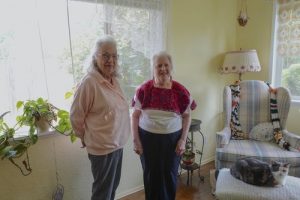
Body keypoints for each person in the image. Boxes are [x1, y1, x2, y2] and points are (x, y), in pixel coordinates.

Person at [70, 35, 130, 200]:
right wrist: (84, 137)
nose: (110, 60)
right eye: (105, 55)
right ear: (95, 57)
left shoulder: (114, 80)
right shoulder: (89, 83)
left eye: (114, 56)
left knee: (111, 189)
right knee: (102, 193)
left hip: (117, 145)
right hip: (102, 148)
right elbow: (76, 115)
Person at [131, 51, 197, 200]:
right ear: (153, 68)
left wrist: (183, 140)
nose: (162, 69)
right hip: (147, 139)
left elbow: (187, 116)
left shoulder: (181, 91)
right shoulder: (143, 90)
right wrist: (136, 140)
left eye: (166, 65)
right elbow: (134, 116)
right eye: (158, 65)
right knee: (151, 176)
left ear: (171, 67)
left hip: (172, 140)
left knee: (169, 175)